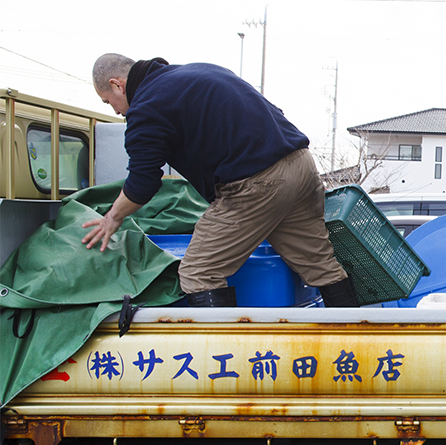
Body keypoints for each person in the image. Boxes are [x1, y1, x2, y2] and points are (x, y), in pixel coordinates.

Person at [83, 54, 359, 309]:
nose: (116, 112)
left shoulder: (146, 105)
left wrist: (112, 218)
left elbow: (142, 182)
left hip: (257, 183)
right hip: (300, 164)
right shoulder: (196, 72)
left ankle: (227, 349)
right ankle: (354, 339)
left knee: (198, 273)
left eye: (108, 102)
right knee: (319, 265)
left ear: (117, 85)